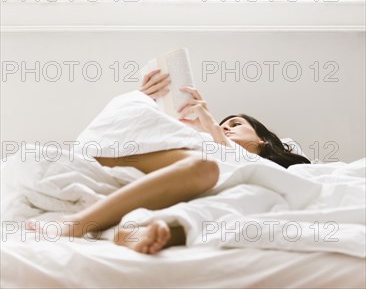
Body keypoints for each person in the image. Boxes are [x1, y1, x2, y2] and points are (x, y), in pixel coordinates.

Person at [27, 69, 309, 254]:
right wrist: (144, 98)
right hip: (190, 173)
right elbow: (139, 133)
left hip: (226, 195)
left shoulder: (284, 172)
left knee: (244, 203)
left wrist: (211, 125)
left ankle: (130, 233)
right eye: (223, 125)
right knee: (203, 166)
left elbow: (270, 178)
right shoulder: (205, 150)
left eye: (235, 124)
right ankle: (79, 223)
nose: (225, 128)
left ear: (263, 140)